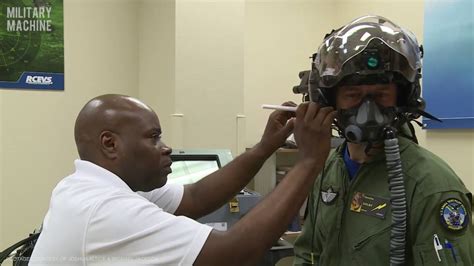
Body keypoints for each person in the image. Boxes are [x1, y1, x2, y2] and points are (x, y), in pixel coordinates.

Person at [30, 94, 336, 265]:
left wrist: (265, 148)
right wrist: (309, 161)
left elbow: (197, 197)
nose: (166, 148)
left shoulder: (85, 187)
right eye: (153, 138)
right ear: (110, 144)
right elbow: (236, 254)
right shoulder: (103, 211)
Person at [293, 15, 473, 265]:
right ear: (329, 100)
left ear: (403, 98)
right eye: (353, 94)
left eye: (381, 94)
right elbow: (307, 252)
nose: (368, 109)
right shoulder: (326, 169)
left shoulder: (431, 185)